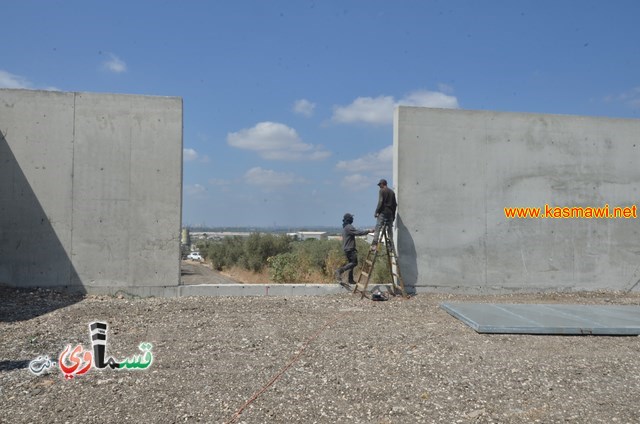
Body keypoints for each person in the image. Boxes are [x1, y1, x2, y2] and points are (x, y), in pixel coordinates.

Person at [335, 213, 372, 285]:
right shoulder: (349, 227)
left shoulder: (345, 227)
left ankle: (350, 279)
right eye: (351, 218)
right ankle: (340, 271)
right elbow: (358, 232)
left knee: (351, 264)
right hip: (350, 249)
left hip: (347, 248)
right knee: (354, 263)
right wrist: (368, 231)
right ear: (349, 219)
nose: (353, 219)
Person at [371, 178, 397, 250]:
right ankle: (390, 246)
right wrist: (393, 215)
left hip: (383, 212)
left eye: (380, 185)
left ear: (383, 184)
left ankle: (374, 245)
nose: (379, 186)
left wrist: (376, 212)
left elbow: (380, 202)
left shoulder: (382, 191)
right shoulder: (392, 192)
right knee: (390, 230)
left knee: (378, 227)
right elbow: (395, 205)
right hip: (390, 213)